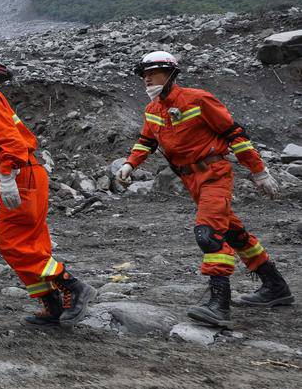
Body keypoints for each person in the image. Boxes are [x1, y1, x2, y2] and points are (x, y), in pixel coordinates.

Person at [115, 51, 293, 328]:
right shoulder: (153, 111)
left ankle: (219, 303)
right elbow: (146, 141)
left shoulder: (198, 99)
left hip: (214, 175)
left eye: (154, 72)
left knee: (208, 233)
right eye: (143, 74)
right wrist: (129, 165)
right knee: (232, 232)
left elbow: (234, 134)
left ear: (172, 73)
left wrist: (259, 171)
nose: (147, 78)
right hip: (190, 180)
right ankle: (275, 286)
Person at [0, 49, 96, 328]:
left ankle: (74, 288)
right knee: (32, 244)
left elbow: (10, 141)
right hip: (26, 173)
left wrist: (6, 176)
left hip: (19, 173)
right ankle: (52, 305)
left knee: (11, 243)